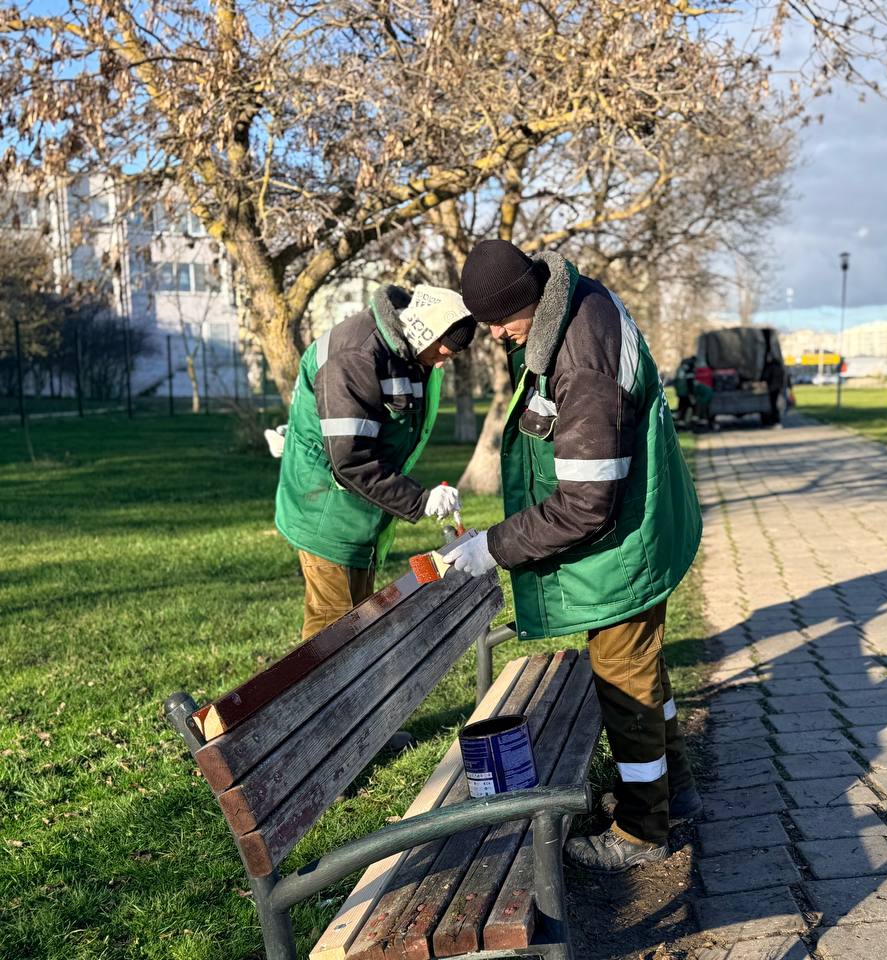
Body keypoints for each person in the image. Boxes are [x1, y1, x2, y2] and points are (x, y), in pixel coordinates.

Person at [442, 239, 703, 873]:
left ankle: (642, 831)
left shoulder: (581, 357)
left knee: (624, 681)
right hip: (639, 527)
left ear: (529, 298)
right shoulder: (573, 304)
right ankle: (675, 791)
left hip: (624, 546)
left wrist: (493, 547)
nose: (495, 334)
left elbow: (586, 505)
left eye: (500, 320)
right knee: (641, 669)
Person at [274, 284, 477, 639]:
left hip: (357, 512)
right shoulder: (356, 356)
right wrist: (420, 500)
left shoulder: (406, 348)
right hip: (327, 512)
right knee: (333, 638)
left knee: (357, 624)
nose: (442, 362)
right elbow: (350, 459)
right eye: (441, 352)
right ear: (424, 331)